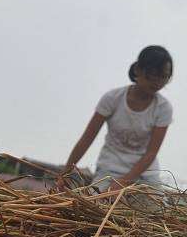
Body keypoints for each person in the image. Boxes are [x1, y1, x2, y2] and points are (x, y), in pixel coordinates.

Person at [64, 45, 174, 192]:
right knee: (96, 203)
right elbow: (86, 139)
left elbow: (151, 153)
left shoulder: (163, 108)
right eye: (153, 75)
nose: (157, 82)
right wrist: (65, 174)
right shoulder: (112, 99)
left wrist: (124, 182)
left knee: (157, 210)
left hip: (145, 175)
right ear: (138, 70)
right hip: (110, 170)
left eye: (164, 76)